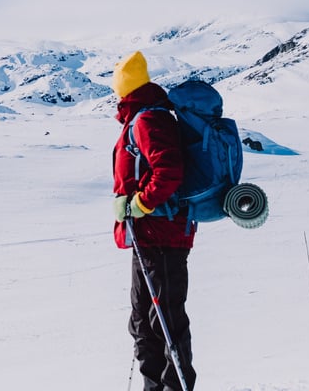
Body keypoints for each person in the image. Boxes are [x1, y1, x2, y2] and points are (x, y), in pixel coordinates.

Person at [110, 51, 197, 391]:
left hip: (162, 234)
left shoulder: (148, 120)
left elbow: (169, 171)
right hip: (147, 235)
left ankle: (176, 387)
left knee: (165, 321)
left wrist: (140, 204)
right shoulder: (142, 117)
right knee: (143, 322)